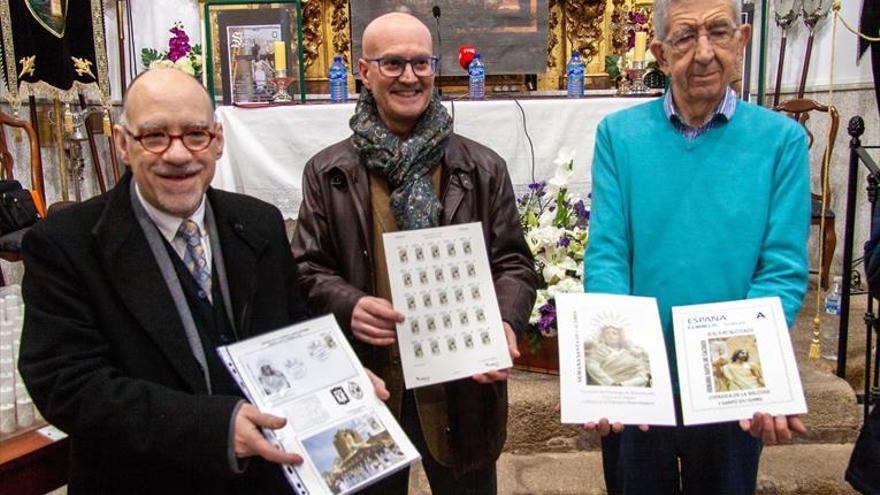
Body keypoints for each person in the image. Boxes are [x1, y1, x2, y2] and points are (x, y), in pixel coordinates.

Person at [17, 68, 388, 495]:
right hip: (143, 480)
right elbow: (66, 383)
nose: (178, 155)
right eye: (155, 136)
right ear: (122, 143)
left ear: (217, 140)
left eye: (195, 134)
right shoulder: (67, 244)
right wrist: (215, 428)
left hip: (262, 479)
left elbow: (292, 327)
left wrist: (336, 375)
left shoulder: (258, 222)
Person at [291, 12, 538, 495]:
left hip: (462, 377)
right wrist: (350, 304)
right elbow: (306, 269)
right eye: (393, 63)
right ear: (364, 71)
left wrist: (505, 322)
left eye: (421, 63)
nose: (409, 76)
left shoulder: (481, 167)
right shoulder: (329, 172)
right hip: (371, 374)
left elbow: (513, 263)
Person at [583, 0, 811, 492]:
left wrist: (757, 367)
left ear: (742, 41)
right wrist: (611, 375)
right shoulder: (619, 137)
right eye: (686, 37)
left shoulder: (782, 142)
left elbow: (781, 269)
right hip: (642, 379)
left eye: (718, 32)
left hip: (730, 380)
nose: (704, 52)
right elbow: (608, 254)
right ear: (661, 55)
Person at [584, 324, 651, 387]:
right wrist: (610, 382)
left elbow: (640, 371)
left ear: (620, 337)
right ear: (603, 336)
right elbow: (592, 366)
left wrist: (623, 385)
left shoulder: (629, 352)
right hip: (606, 384)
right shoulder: (598, 350)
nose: (610, 335)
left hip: (626, 386)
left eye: (614, 333)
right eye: (607, 333)